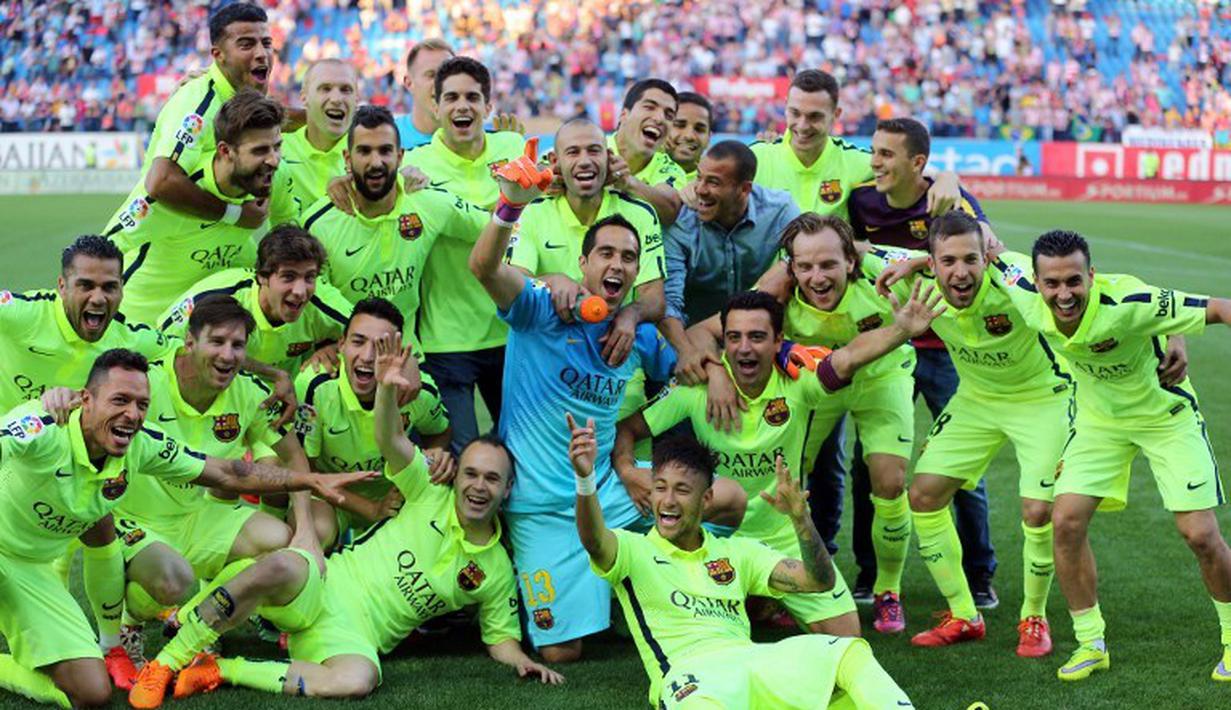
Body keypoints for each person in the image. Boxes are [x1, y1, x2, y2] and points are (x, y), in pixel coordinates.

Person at [127, 333, 562, 709]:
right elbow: (390, 438)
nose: (478, 487)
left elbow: (499, 639)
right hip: (322, 585)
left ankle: (221, 668)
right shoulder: (429, 491)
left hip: (352, 636)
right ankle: (168, 661)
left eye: (492, 479)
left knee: (359, 680)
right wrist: (388, 390)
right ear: (456, 473)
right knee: (284, 559)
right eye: (471, 473)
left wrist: (523, 660)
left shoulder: (496, 571)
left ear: (507, 489)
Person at [470, 146, 745, 662]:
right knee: (562, 652)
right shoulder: (541, 310)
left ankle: (651, 584)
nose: (617, 264)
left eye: (628, 257)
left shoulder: (636, 332)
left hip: (610, 491)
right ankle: (612, 589)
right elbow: (484, 269)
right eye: (606, 254)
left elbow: (689, 357)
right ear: (583, 262)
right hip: (542, 508)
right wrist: (509, 207)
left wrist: (713, 372)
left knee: (726, 498)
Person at [0, 348, 369, 709]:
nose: (132, 414)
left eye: (142, 404)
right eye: (120, 400)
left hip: (31, 570)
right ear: (86, 399)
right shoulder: (46, 426)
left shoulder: (141, 446)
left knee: (92, 694)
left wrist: (308, 481)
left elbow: (227, 472)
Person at [617, 285, 947, 638]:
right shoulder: (696, 389)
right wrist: (626, 468)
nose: (745, 347)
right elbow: (629, 428)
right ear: (724, 343)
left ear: (778, 342)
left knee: (847, 635)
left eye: (757, 337)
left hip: (783, 537)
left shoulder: (798, 381)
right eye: (735, 337)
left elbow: (848, 357)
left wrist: (901, 330)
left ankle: (763, 598)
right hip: (717, 537)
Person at [989, 231, 1231, 682]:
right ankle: (1090, 642)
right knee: (1065, 522)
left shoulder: (1126, 301)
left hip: (1165, 414)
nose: (1064, 294)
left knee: (1199, 533)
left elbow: (1216, 307)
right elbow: (984, 251)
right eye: (1053, 284)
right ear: (1036, 283)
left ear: (1092, 276)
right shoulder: (1021, 289)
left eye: (1074, 282)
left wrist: (1176, 334)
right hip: (1099, 423)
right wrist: (910, 263)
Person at [570, 424, 913, 709]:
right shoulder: (632, 550)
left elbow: (818, 581)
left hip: (752, 662)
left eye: (682, 490)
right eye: (660, 488)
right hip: (691, 678)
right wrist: (585, 481)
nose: (668, 501)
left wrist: (801, 520)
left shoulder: (737, 552)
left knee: (847, 652)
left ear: (706, 500)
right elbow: (594, 540)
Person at [695, 213, 918, 634]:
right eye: (806, 266)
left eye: (829, 264)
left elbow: (953, 254)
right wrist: (717, 372)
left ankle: (888, 590)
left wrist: (919, 263)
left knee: (888, 481)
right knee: (781, 480)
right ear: (791, 267)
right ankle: (779, 578)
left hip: (881, 377)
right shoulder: (775, 293)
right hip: (815, 386)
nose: (817, 277)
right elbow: (703, 334)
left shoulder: (882, 274)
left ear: (851, 261)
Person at [869, 211, 1070, 656]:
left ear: (987, 258)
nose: (961, 272)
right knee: (923, 496)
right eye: (948, 262)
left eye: (971, 260)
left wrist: (1171, 336)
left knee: (1038, 510)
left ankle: (1034, 618)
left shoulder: (1015, 278)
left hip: (1043, 399)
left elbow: (1080, 284)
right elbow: (858, 251)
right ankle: (964, 614)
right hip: (976, 400)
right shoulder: (912, 278)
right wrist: (915, 262)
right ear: (932, 261)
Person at [84, 296, 318, 665]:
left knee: (279, 542)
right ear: (189, 342)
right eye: (217, 342)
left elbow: (294, 456)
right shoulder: (148, 383)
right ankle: (129, 623)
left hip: (196, 516)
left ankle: (195, 619)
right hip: (135, 520)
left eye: (238, 345)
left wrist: (306, 529)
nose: (228, 355)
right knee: (171, 580)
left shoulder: (248, 392)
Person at [844, 117, 1000, 607]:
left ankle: (980, 575)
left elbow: (989, 249)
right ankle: (870, 575)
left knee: (963, 467)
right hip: (887, 347)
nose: (875, 162)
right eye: (874, 152)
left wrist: (953, 183)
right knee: (869, 465)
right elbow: (848, 252)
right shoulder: (860, 200)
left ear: (918, 163)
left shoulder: (948, 199)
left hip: (946, 351)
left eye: (887, 154)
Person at [401, 56, 526, 450]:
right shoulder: (415, 165)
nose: (463, 106)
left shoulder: (513, 147)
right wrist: (505, 209)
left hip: (509, 330)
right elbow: (514, 215)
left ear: (488, 106)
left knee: (518, 449)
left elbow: (531, 218)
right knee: (459, 453)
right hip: (446, 337)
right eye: (451, 97)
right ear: (435, 106)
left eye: (473, 97)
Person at [302, 105, 487, 357]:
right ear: (347, 158)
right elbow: (309, 293)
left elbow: (493, 227)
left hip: (408, 359)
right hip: (344, 354)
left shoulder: (426, 202)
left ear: (400, 157)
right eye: (364, 151)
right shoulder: (318, 223)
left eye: (385, 151)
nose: (376, 162)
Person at [104, 90, 297, 324]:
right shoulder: (171, 197)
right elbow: (103, 248)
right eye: (259, 151)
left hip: (208, 329)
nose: (273, 160)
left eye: (277, 147)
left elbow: (290, 234)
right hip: (142, 325)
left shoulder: (275, 176)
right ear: (225, 151)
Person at [294, 297, 454, 549]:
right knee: (317, 531)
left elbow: (440, 433)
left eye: (381, 347)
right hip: (331, 495)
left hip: (395, 498)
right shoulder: (314, 386)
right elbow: (305, 471)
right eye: (358, 342)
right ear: (341, 345)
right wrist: (369, 508)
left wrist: (437, 453)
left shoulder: (417, 391)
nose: (368, 356)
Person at [508, 119, 667, 372]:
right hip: (547, 369)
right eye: (573, 152)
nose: (584, 160)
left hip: (615, 369)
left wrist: (631, 315)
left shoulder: (640, 213)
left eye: (594, 150)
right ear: (556, 164)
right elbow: (514, 282)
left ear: (608, 158)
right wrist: (553, 280)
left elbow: (655, 299)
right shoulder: (531, 213)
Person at [113, 3, 278, 236]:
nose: (262, 53)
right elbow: (161, 181)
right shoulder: (197, 100)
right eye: (246, 44)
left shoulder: (243, 97)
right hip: (158, 248)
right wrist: (236, 214)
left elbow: (285, 118)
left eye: (266, 43)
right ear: (218, 55)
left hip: (208, 243)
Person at [659, 140, 798, 381]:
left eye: (713, 182)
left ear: (744, 189)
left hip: (752, 337)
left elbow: (814, 246)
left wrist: (786, 267)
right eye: (699, 177)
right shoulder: (682, 221)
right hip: (690, 335)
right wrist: (688, 353)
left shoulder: (778, 209)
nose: (699, 190)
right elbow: (669, 302)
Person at [749, 69, 960, 220]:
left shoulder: (856, 161)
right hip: (766, 283)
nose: (802, 126)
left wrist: (946, 178)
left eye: (815, 117)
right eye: (795, 113)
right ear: (785, 107)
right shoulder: (755, 158)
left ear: (836, 115)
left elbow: (916, 173)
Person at [0, 235, 177, 413]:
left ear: (122, 288)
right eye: (85, 286)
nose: (98, 299)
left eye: (109, 287)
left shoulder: (128, 337)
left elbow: (179, 352)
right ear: (62, 286)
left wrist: (91, 395)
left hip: (62, 439)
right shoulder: (27, 313)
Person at [157, 225, 351, 378]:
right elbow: (164, 345)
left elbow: (375, 332)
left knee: (321, 372)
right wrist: (271, 374)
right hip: (224, 395)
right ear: (262, 277)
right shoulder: (217, 297)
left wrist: (334, 348)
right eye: (288, 277)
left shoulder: (322, 303)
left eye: (309, 277)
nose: (300, 291)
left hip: (287, 402)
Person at [280, 59, 357, 212]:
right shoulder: (276, 150)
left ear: (357, 99)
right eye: (325, 88)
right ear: (304, 98)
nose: (336, 99)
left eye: (346, 89)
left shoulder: (369, 157)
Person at [607, 79, 686, 225]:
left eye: (669, 115)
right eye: (649, 107)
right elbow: (552, 170)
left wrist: (627, 182)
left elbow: (670, 209)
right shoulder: (591, 149)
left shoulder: (670, 170)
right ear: (624, 114)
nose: (660, 119)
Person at [394, 39, 454, 150]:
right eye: (431, 75)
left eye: (448, 75)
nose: (441, 83)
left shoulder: (475, 138)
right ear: (409, 83)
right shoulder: (389, 137)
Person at [665, 92, 713, 182]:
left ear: (709, 138)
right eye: (679, 125)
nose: (689, 136)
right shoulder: (634, 173)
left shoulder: (718, 189)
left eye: (699, 129)